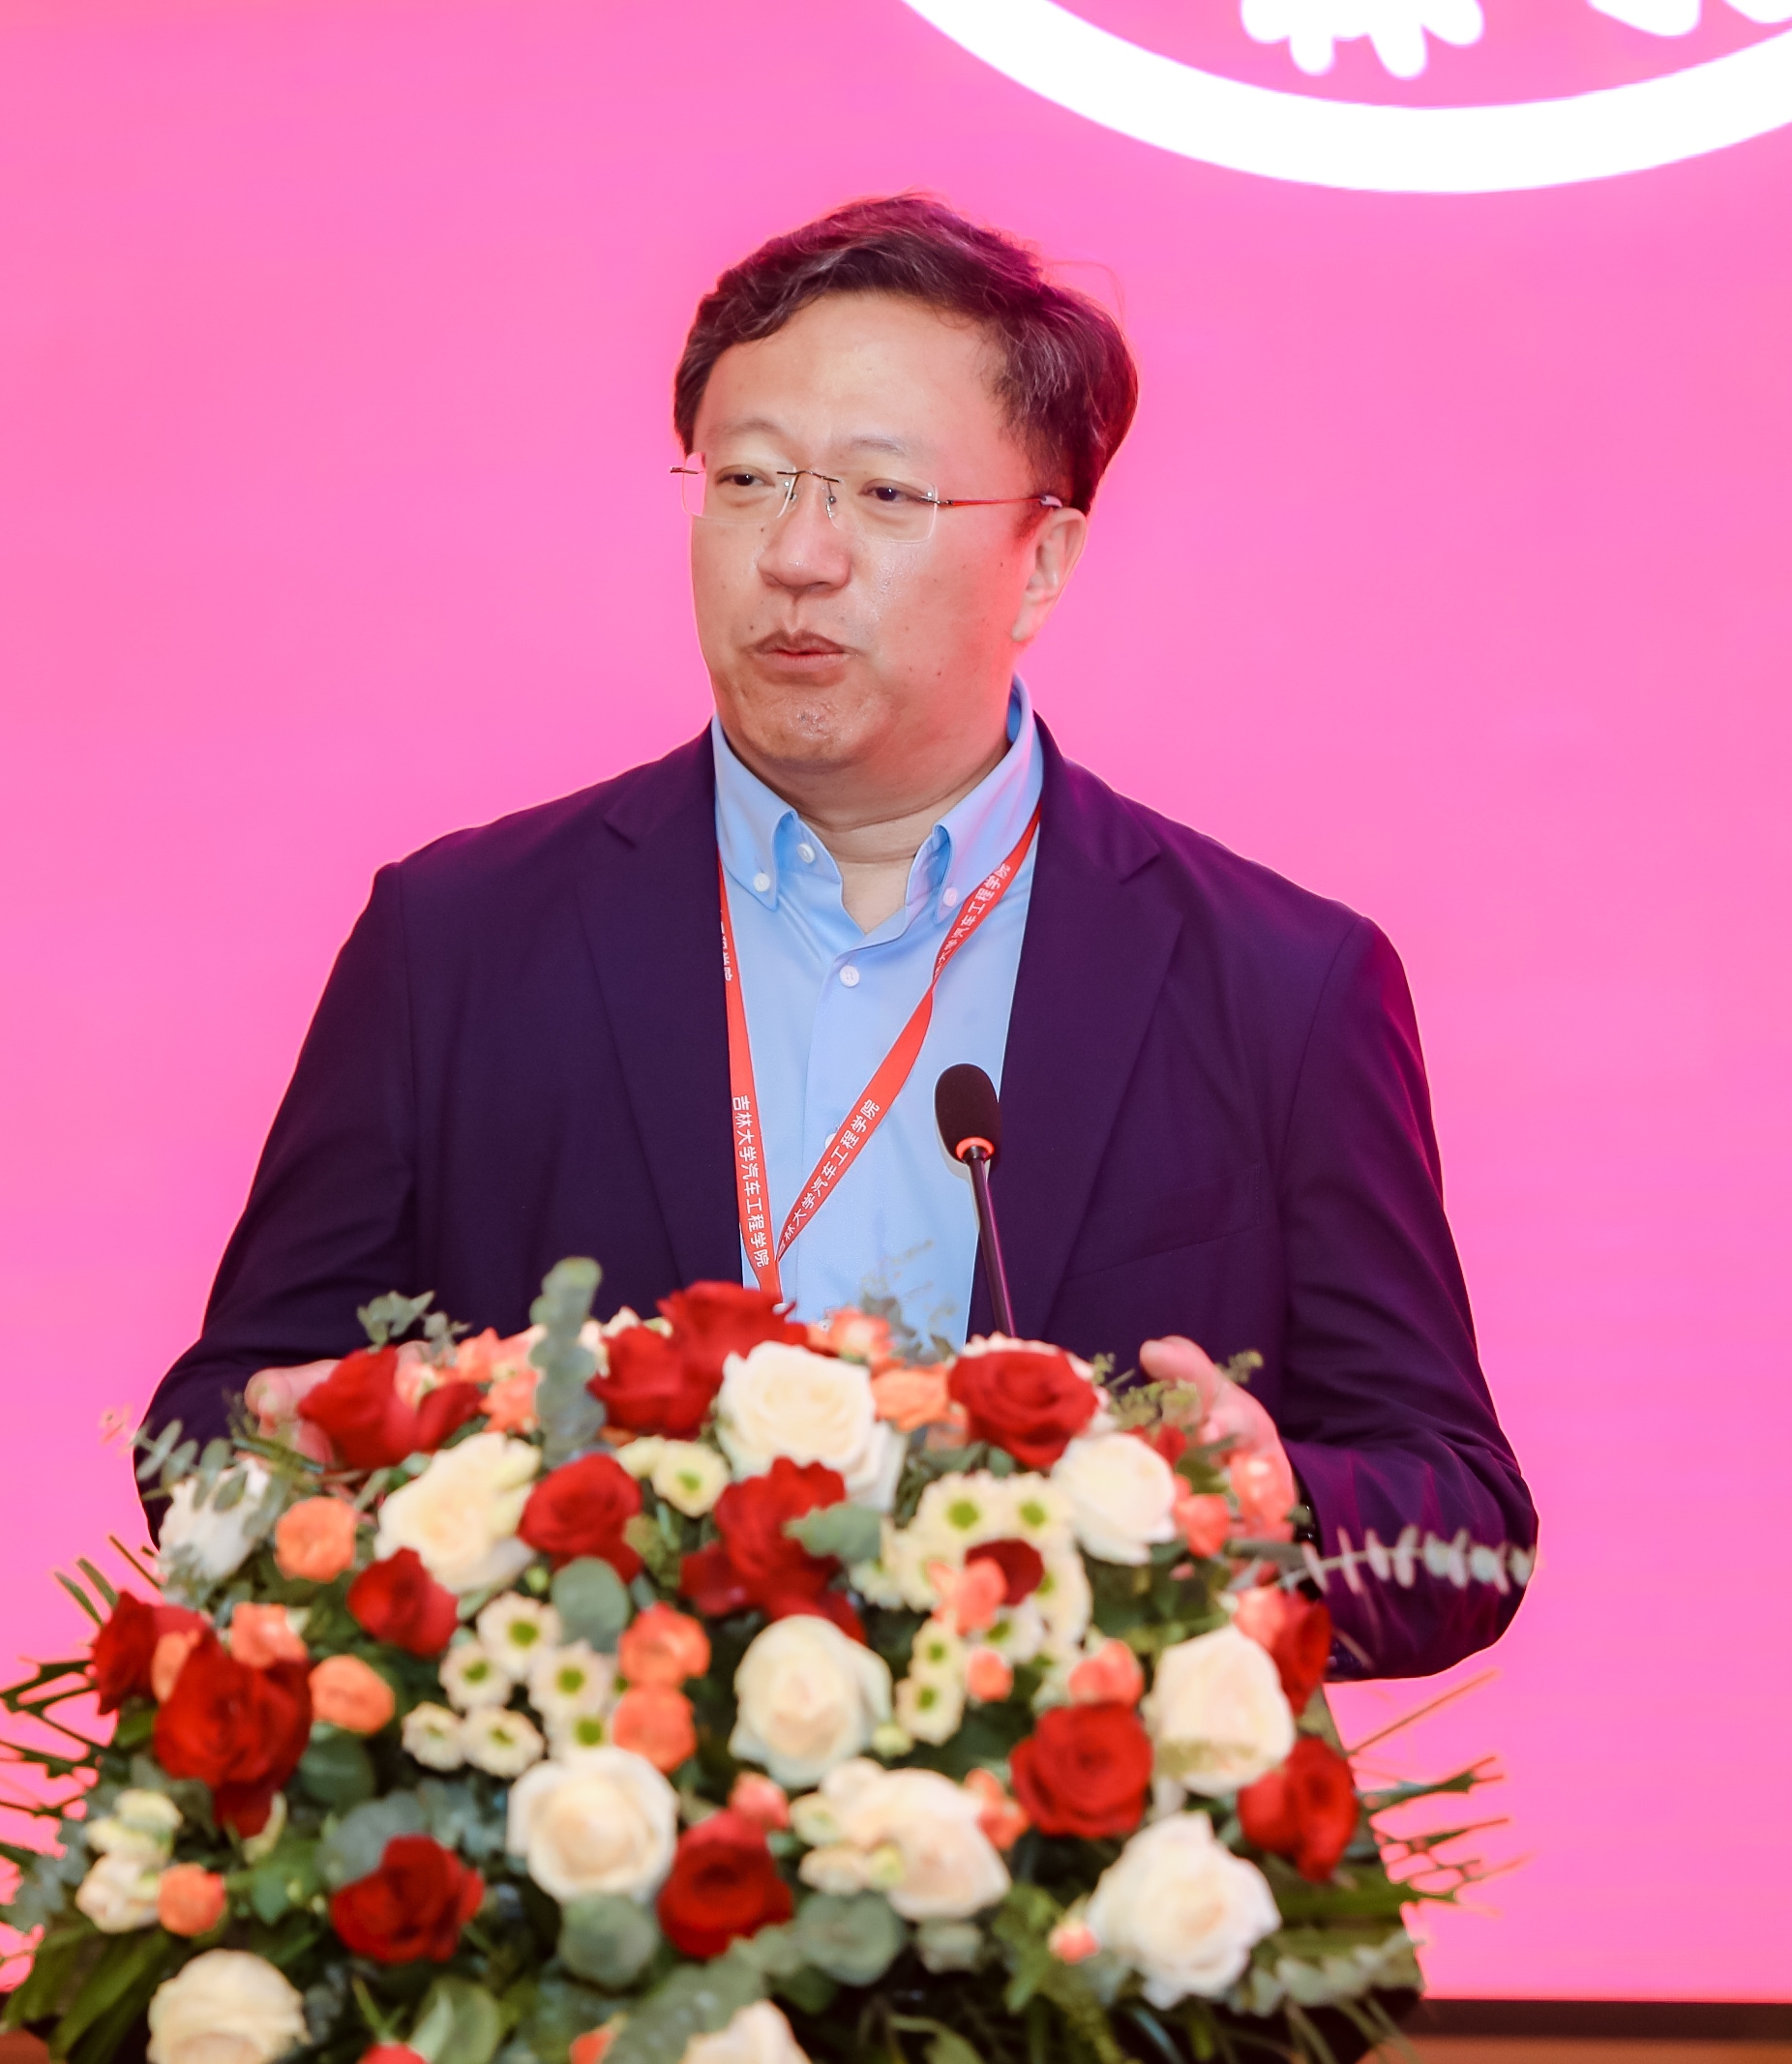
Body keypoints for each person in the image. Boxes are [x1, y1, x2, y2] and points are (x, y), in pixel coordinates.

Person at [145, 195, 1534, 1679]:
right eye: (748, 479)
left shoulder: (1280, 984)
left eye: (883, 494)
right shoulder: (462, 942)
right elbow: (217, 1421)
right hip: (586, 1797)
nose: (798, 554)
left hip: (1066, 1805)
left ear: (1044, 560)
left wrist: (1267, 1502)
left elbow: (1460, 1516)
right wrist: (339, 1459)